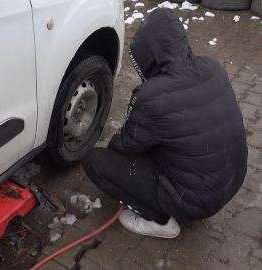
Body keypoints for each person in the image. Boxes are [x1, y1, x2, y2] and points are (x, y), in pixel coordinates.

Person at [82, 8, 248, 239]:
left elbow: (126, 147)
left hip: (195, 200)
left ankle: (159, 221)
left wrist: (118, 163)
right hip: (232, 181)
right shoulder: (214, 67)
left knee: (95, 161)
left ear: (148, 53)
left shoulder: (152, 96)